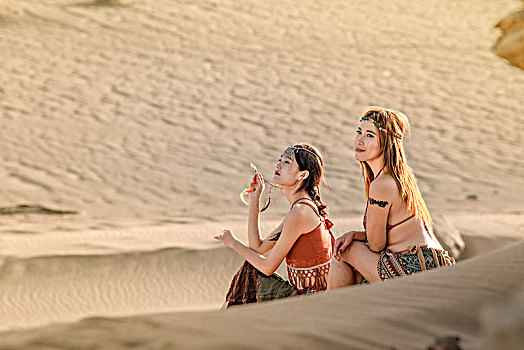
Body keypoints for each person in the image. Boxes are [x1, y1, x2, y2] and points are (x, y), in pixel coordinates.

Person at [327, 107, 455, 289]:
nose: (359, 140)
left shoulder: (382, 185)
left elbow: (377, 245)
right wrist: (355, 234)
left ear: (386, 142)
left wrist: (354, 238)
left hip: (415, 266)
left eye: (370, 135)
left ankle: (328, 310)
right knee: (356, 275)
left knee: (344, 250)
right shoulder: (401, 177)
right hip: (437, 263)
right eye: (359, 132)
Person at [214, 144, 334, 307]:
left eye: (287, 162)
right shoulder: (300, 209)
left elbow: (267, 267)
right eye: (280, 160)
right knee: (251, 266)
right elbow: (257, 248)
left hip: (310, 300)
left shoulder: (300, 212)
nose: (278, 165)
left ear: (302, 174)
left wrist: (233, 243)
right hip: (302, 295)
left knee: (251, 270)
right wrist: (254, 201)